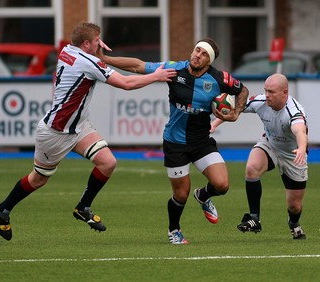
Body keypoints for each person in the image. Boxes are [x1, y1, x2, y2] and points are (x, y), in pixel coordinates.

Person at [0, 21, 176, 241]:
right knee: (38, 179)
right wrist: (155, 77)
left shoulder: (67, 50)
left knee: (108, 162)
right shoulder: (87, 62)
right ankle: (2, 209)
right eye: (97, 41)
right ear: (87, 44)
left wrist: (94, 45)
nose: (100, 44)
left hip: (77, 127)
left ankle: (83, 207)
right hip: (55, 133)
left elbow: (83, 44)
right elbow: (126, 84)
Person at [97, 38, 249, 244]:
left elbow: (242, 91)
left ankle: (203, 196)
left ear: (209, 61)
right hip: (175, 143)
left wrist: (236, 113)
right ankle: (174, 230)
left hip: (202, 142)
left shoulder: (219, 78)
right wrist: (104, 59)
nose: (197, 55)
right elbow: (138, 65)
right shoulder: (174, 69)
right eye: (197, 50)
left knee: (222, 185)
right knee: (181, 194)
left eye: (204, 54)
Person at [211, 73, 308, 239]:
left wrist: (301, 148)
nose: (267, 95)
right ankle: (254, 218)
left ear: (285, 92)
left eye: (271, 92)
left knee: (294, 206)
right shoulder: (261, 101)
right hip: (270, 144)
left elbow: (300, 131)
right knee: (251, 168)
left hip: (293, 154)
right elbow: (236, 108)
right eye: (266, 90)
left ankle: (294, 224)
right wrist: (214, 124)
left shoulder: (294, 111)